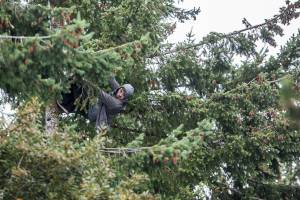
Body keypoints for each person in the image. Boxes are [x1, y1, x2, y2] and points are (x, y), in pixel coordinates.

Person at [57, 76, 134, 130]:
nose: (120, 94)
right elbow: (111, 79)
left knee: (79, 87)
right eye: (121, 91)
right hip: (95, 108)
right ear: (120, 88)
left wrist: (84, 80)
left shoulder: (116, 104)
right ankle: (66, 106)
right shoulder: (118, 90)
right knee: (78, 98)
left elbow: (99, 93)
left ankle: (64, 103)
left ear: (125, 98)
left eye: (123, 95)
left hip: (94, 113)